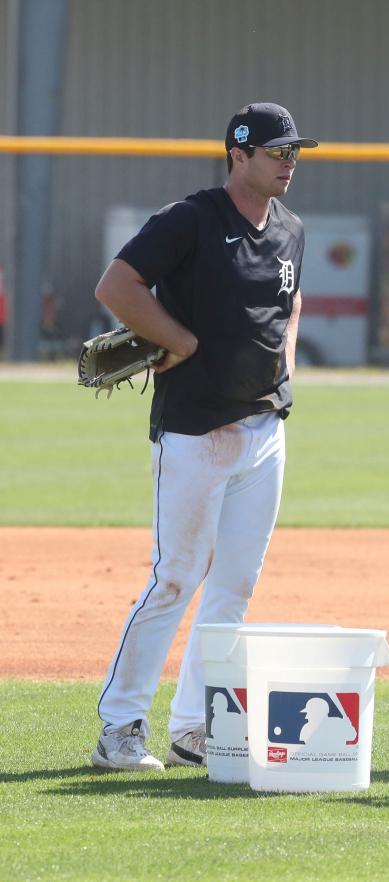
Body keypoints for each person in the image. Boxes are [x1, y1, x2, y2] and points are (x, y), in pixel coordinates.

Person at [90, 102, 316, 771]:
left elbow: (292, 300)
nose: (289, 162)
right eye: (277, 152)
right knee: (176, 579)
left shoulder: (293, 230)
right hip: (195, 431)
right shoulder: (190, 219)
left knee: (235, 587)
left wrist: (287, 361)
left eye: (294, 152)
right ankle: (120, 728)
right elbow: (117, 284)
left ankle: (195, 727)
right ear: (237, 155)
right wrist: (179, 339)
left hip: (263, 431)